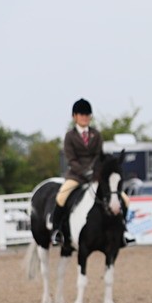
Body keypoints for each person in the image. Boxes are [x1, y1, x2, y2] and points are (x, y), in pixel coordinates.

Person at [51, 98, 103, 246]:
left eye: (87, 115)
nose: (84, 118)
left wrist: (94, 170)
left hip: (95, 175)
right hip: (76, 175)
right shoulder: (70, 136)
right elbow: (71, 159)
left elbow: (99, 155)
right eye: (81, 115)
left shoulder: (96, 135)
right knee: (61, 197)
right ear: (75, 116)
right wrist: (84, 172)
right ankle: (57, 231)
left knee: (122, 197)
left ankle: (122, 230)